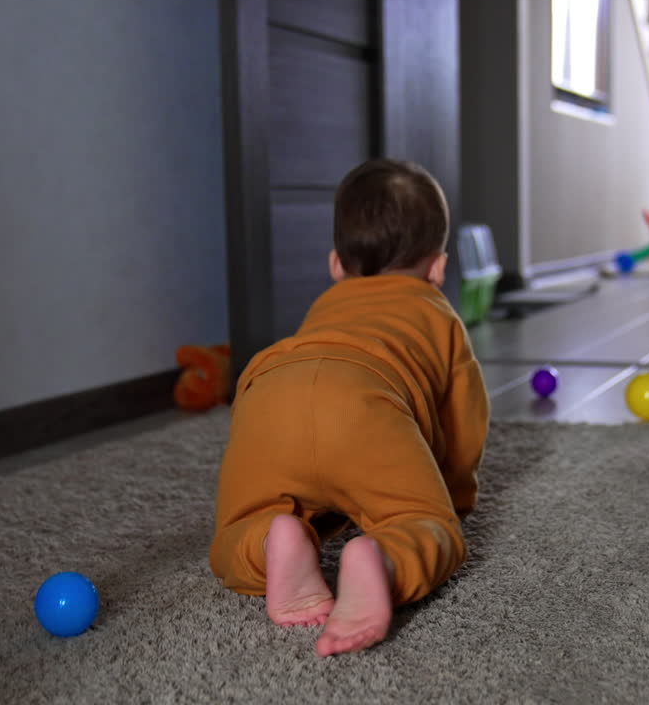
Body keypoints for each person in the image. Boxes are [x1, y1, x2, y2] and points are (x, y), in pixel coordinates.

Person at [209, 158, 490, 657]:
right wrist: (450, 501)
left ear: (336, 264)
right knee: (428, 527)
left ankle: (271, 542)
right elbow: (464, 425)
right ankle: (382, 558)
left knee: (236, 528)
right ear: (438, 267)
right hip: (367, 404)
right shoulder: (438, 314)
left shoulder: (326, 303)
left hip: (269, 393)